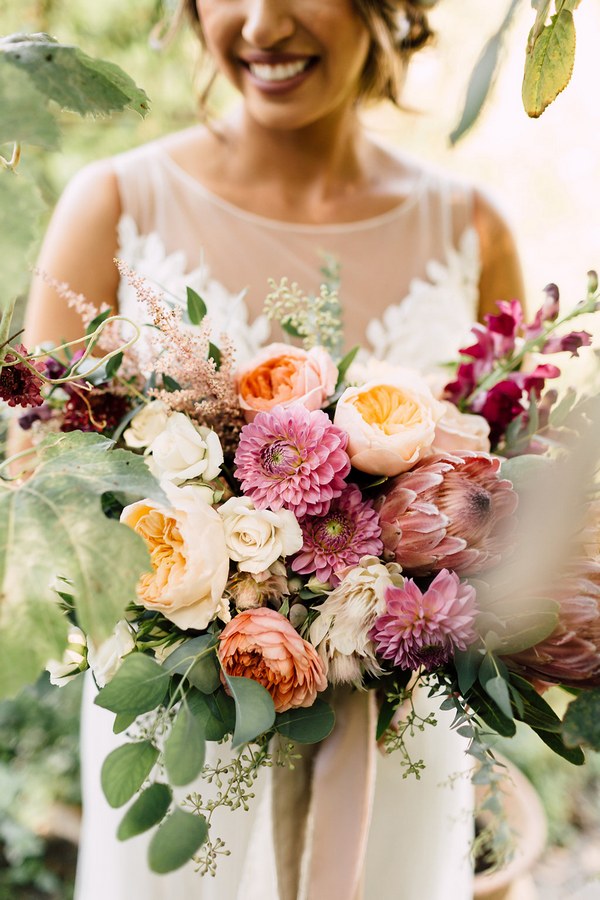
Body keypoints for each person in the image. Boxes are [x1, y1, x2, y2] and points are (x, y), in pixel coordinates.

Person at [24, 1, 524, 897]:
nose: (260, 22)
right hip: (181, 759)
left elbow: (516, 502)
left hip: (401, 753)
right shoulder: (112, 206)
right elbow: (40, 506)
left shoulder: (474, 230)